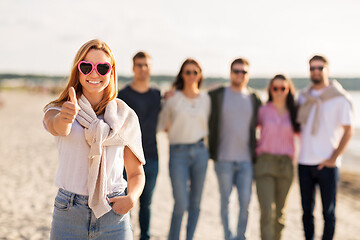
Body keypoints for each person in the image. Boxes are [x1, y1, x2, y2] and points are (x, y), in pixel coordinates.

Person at [43, 39, 146, 239]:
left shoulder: (125, 116)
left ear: (111, 71)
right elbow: (57, 127)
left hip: (114, 214)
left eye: (102, 67)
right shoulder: (58, 109)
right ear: (78, 70)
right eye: (87, 66)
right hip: (69, 212)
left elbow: (136, 173)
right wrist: (65, 118)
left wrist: (132, 198)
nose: (94, 73)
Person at [297, 55, 354, 240]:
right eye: (312, 68)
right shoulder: (303, 97)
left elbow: (348, 131)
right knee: (307, 212)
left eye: (319, 68)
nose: (315, 71)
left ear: (327, 70)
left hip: (327, 165)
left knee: (328, 213)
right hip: (304, 162)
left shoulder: (339, 98)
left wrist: (333, 158)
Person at [208, 58, 262, 240]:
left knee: (246, 202)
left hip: (247, 160)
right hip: (223, 159)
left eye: (244, 72)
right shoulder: (218, 95)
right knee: (226, 202)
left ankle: (242, 236)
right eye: (236, 71)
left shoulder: (254, 98)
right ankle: (228, 237)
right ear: (231, 73)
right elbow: (194, 96)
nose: (240, 75)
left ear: (248, 75)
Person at [157, 58, 210, 240]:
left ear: (200, 75)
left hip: (201, 152)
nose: (191, 76)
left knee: (195, 203)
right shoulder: (173, 99)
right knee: (181, 203)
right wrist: (164, 100)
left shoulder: (206, 99)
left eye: (195, 72)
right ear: (182, 75)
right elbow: (162, 125)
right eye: (187, 72)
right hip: (178, 152)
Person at [118, 51, 161, 240]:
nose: (143, 69)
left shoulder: (157, 95)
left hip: (151, 155)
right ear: (133, 68)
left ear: (150, 69)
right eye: (139, 65)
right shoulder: (123, 95)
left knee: (147, 204)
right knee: (125, 202)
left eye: (146, 65)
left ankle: (145, 236)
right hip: (125, 157)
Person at [255, 74, 300, 240]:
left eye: (283, 88)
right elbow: (246, 128)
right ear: (270, 90)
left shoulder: (295, 112)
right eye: (275, 88)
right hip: (264, 163)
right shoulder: (263, 111)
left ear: (289, 90)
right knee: (267, 211)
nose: (279, 91)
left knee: (280, 214)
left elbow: (307, 134)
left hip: (285, 165)